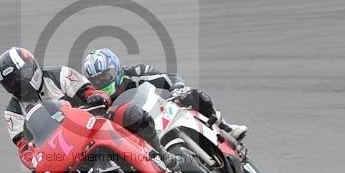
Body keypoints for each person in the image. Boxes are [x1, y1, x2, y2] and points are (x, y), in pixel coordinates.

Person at [0, 47, 121, 173]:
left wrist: (96, 98)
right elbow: (23, 146)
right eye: (11, 83)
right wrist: (33, 163)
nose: (17, 85)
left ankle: (162, 156)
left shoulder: (60, 75)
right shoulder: (12, 112)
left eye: (19, 77)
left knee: (130, 114)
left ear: (32, 68)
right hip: (64, 156)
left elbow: (90, 91)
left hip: (92, 128)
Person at [82, 48, 248, 141]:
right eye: (98, 80)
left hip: (158, 111)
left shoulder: (136, 72)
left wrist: (177, 88)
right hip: (137, 132)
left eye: (106, 75)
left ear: (116, 68)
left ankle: (225, 127)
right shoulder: (97, 99)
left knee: (194, 95)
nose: (103, 81)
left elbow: (169, 78)